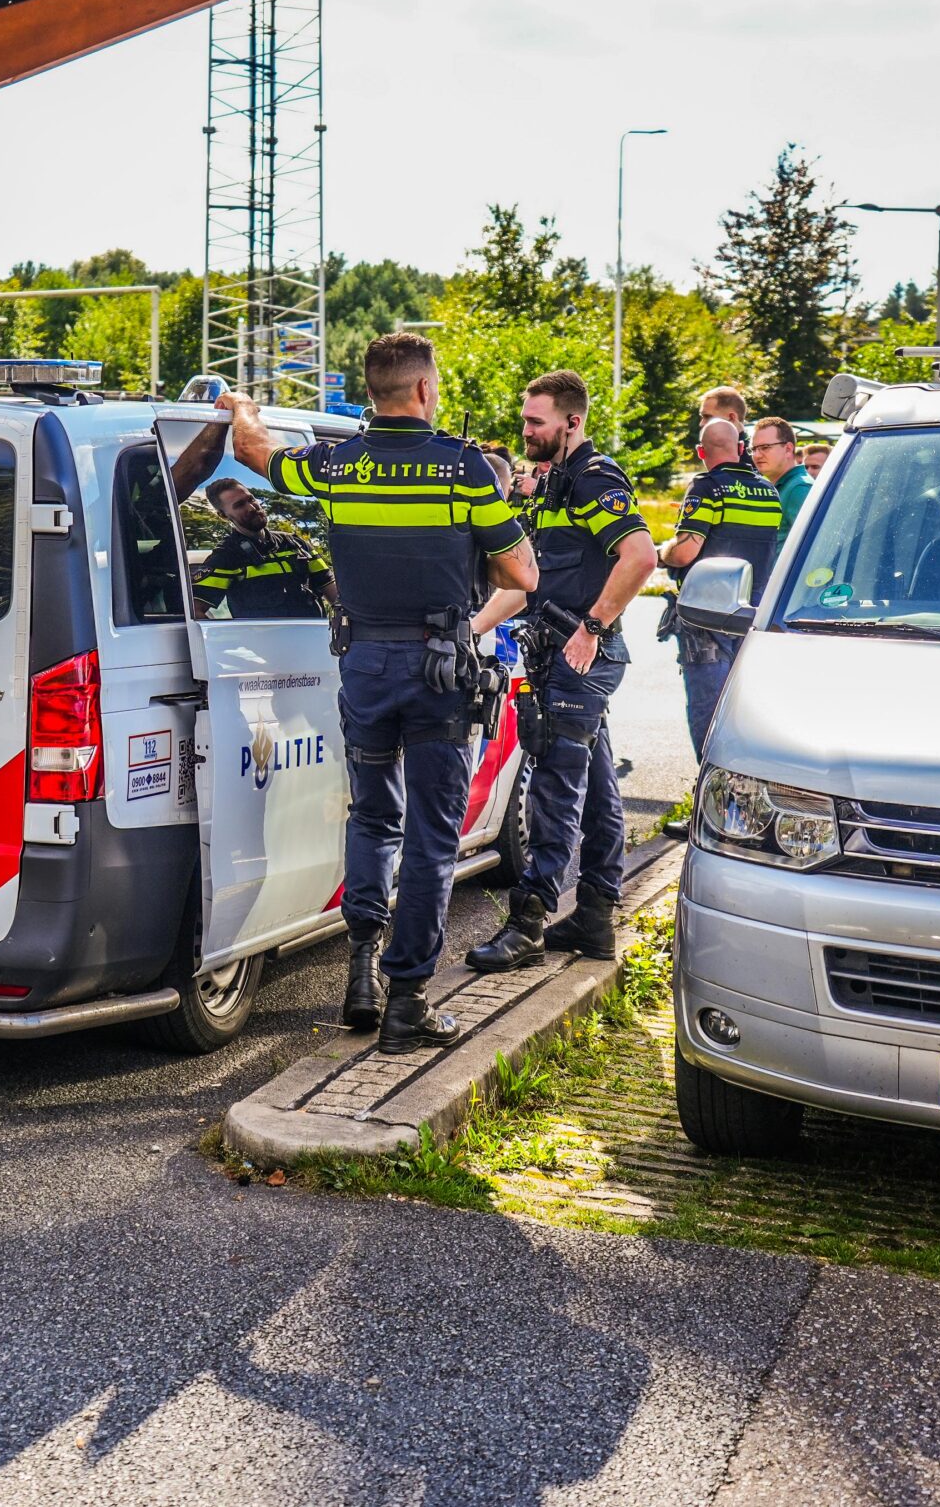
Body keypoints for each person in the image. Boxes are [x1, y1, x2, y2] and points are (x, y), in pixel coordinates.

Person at [221, 333, 537, 1052]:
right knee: (431, 838)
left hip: (363, 664)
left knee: (369, 817)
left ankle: (359, 973)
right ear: (425, 390)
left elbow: (254, 451)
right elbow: (523, 574)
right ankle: (408, 1002)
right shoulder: (461, 468)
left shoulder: (335, 463)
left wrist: (239, 403)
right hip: (439, 676)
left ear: (371, 392)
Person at [466, 370, 657, 972]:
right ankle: (596, 918)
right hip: (562, 658)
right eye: (525, 419)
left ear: (572, 422)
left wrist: (592, 628)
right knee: (596, 791)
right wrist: (471, 629)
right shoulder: (557, 486)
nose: (525, 430)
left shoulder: (594, 480)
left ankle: (528, 923)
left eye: (535, 421)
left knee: (554, 789)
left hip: (581, 662)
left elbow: (641, 556)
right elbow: (533, 586)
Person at [663, 418, 784, 754]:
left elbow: (686, 549)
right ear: (742, 449)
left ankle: (709, 778)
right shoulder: (769, 492)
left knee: (709, 706)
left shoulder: (707, 487)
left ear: (701, 451)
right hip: (753, 612)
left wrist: (662, 552)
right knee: (743, 706)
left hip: (708, 614)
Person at [191, 478, 335, 619]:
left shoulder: (295, 543)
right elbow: (196, 610)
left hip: (316, 638)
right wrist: (224, 640)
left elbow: (334, 593)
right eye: (240, 505)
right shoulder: (226, 556)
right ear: (223, 515)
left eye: (251, 499)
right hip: (262, 643)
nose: (252, 508)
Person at [751, 416, 815, 536]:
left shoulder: (799, 488)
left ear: (788, 449)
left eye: (765, 447)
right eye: (754, 449)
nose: (757, 455)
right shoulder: (782, 486)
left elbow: (815, 543)